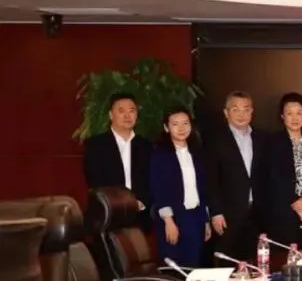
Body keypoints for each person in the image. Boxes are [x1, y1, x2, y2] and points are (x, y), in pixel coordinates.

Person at [256, 93, 302, 249]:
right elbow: (270, 180)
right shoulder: (271, 142)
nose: (295, 118)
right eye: (289, 113)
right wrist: (296, 207)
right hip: (282, 214)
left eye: (299, 113)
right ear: (282, 116)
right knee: (284, 258)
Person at [204, 91, 263, 261]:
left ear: (252, 112)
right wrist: (215, 212)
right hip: (227, 215)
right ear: (226, 112)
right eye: (235, 109)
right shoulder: (215, 140)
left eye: (246, 109)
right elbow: (210, 179)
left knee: (254, 263)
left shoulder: (261, 138)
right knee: (226, 262)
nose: (241, 114)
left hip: (256, 214)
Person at [149, 107, 210, 267]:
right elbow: (159, 189)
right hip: (173, 217)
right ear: (166, 128)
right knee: (175, 267)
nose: (181, 128)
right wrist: (169, 221)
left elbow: (202, 189)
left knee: (194, 265)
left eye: (185, 123)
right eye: (175, 124)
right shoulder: (160, 155)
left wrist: (205, 220)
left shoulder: (197, 153)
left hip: (195, 217)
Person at [82, 92, 152, 214]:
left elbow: (152, 180)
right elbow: (96, 182)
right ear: (111, 115)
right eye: (121, 111)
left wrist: (140, 203)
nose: (127, 116)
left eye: (131, 111)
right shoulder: (96, 145)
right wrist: (123, 205)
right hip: (108, 212)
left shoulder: (147, 146)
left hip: (141, 212)